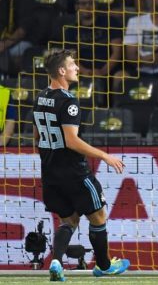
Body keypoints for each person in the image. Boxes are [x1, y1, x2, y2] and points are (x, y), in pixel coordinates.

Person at [32, 49, 129, 282]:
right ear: (61, 71)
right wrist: (104, 156)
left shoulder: (40, 97)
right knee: (98, 215)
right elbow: (71, 140)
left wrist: (50, 157)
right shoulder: (69, 101)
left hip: (50, 173)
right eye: (72, 64)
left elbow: (36, 136)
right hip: (74, 172)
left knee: (69, 220)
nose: (77, 67)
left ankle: (56, 262)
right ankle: (104, 266)